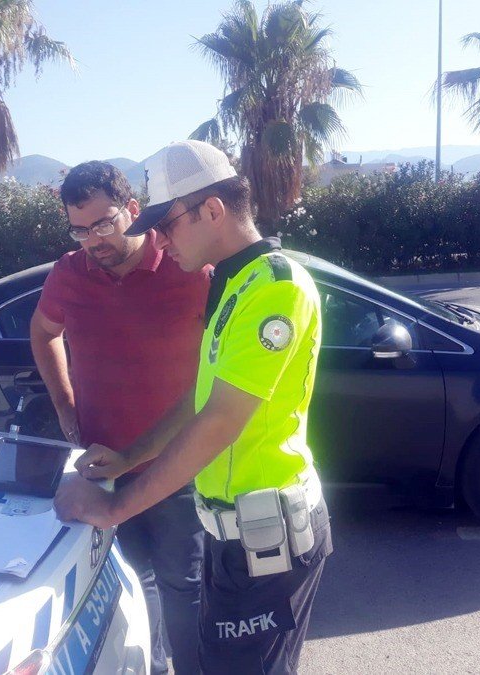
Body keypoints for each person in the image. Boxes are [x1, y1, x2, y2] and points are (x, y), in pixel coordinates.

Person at [54, 140, 332, 674]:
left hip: (266, 539)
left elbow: (221, 421)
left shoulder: (273, 288)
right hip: (234, 534)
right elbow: (199, 400)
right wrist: (129, 456)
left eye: (168, 222)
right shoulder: (231, 283)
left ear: (212, 210)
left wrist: (115, 508)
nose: (155, 237)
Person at [29, 161, 208, 675]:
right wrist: (64, 403)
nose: (93, 240)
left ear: (133, 210)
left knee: (183, 584)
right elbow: (43, 333)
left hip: (176, 467)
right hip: (102, 463)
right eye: (79, 229)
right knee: (128, 581)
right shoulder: (69, 273)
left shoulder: (187, 265)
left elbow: (215, 376)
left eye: (104, 223)